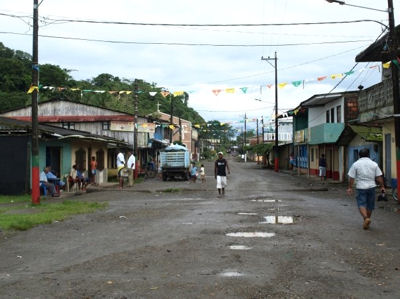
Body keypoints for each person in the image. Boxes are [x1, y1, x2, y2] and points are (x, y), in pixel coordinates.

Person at [347, 148, 385, 230]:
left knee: (361, 204)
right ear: (368, 155)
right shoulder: (374, 164)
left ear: (359, 155)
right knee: (370, 205)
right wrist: (382, 186)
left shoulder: (356, 164)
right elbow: (379, 177)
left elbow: (351, 177)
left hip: (361, 187)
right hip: (371, 187)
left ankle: (365, 218)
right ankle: (367, 220)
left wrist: (350, 187)